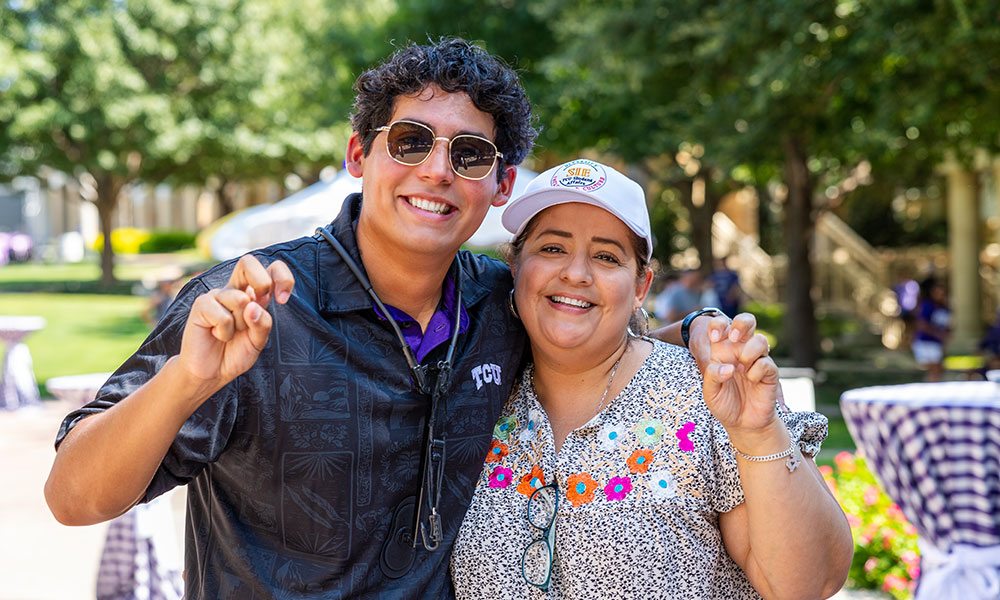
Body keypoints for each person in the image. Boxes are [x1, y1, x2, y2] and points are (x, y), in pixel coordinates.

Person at [44, 39, 752, 598]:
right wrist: (186, 381)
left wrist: (695, 329)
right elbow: (72, 498)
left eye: (470, 154)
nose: (437, 170)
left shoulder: (500, 304)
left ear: (501, 185)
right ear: (360, 154)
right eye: (411, 140)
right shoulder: (247, 307)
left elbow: (594, 339)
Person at [450, 160, 852, 599]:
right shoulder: (480, 392)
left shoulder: (706, 395)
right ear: (515, 265)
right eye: (552, 248)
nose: (576, 273)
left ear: (641, 286)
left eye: (606, 256)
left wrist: (759, 433)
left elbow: (807, 584)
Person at [912, 276, 951, 382]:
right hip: (926, 342)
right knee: (934, 368)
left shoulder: (944, 308)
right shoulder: (927, 306)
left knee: (938, 369)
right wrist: (938, 333)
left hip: (937, 343)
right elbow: (921, 324)